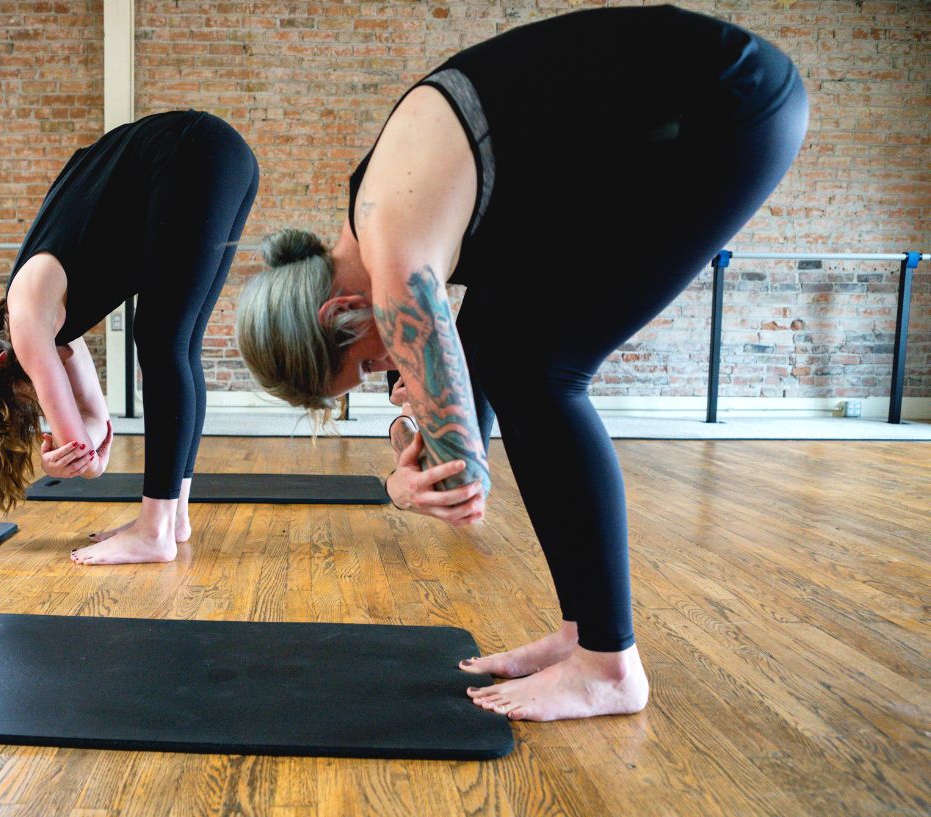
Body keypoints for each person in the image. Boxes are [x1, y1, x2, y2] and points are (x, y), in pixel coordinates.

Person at [235, 6, 807, 721]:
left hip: (726, 106)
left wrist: (412, 483)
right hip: (633, 145)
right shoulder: (375, 241)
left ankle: (609, 666)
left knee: (540, 370)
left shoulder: (396, 250)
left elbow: (467, 480)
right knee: (511, 355)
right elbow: (457, 405)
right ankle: (582, 631)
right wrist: (410, 457)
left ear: (339, 315)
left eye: (363, 365)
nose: (384, 372)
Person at [0, 110, 259, 565]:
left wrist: (76, 456)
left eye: (29, 397)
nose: (42, 398)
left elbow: (89, 455)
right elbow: (95, 419)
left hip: (191, 153)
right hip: (216, 154)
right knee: (178, 341)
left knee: (160, 338)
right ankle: (173, 517)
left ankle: (154, 532)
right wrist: (77, 449)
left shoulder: (29, 324)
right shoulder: (49, 321)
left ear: (4, 365)